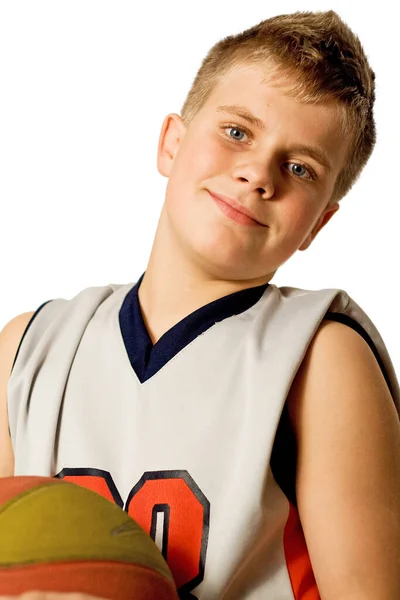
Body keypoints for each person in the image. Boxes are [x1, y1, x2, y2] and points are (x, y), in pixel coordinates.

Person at [1, 9, 400, 600]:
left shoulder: (319, 359)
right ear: (172, 143)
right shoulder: (29, 347)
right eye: (237, 132)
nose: (258, 175)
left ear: (319, 223)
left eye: (299, 168)